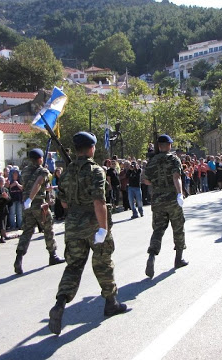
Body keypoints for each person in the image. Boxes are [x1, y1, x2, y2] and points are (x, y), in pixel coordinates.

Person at [48, 132, 128, 335]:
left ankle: (59, 304)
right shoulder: (95, 171)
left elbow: (64, 202)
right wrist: (103, 228)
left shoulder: (65, 173)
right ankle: (111, 302)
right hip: (93, 222)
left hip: (73, 224)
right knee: (102, 263)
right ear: (91, 148)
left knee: (73, 267)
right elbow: (99, 202)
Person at [13, 148, 65, 274]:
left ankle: (18, 258)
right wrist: (31, 199)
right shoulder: (43, 171)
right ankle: (52, 255)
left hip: (27, 206)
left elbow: (28, 186)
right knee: (48, 229)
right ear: (40, 158)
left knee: (27, 231)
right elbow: (38, 183)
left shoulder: (25, 171)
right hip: (38, 204)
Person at [143, 134, 188, 279]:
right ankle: (178, 258)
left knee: (158, 230)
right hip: (171, 199)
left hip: (157, 200)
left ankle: (151, 255)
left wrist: (157, 184)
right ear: (168, 145)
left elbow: (145, 180)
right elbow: (177, 177)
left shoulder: (152, 161)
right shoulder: (173, 158)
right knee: (178, 227)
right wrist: (180, 194)